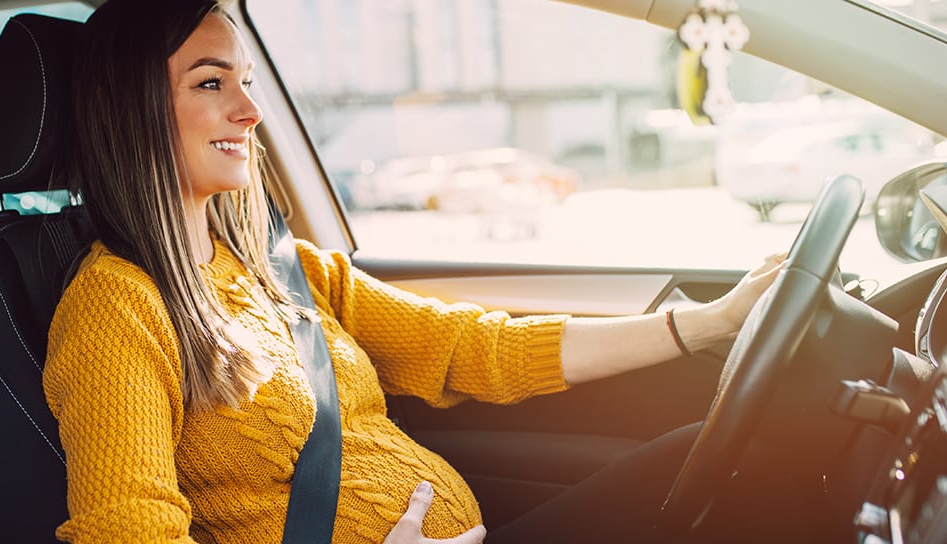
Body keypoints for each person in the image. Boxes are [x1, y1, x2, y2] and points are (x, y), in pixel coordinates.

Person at [43, 1, 784, 542]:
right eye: (211, 83)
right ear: (130, 110)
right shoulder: (116, 309)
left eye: (246, 80)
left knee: (719, 456)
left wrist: (708, 324)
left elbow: (473, 348)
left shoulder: (280, 269)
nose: (249, 111)